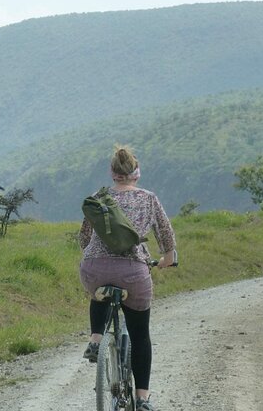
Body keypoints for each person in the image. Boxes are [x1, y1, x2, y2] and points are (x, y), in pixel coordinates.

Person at [78, 145, 176, 411]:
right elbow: (165, 234)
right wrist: (168, 258)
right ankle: (143, 399)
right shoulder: (148, 198)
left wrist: (95, 259)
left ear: (112, 173)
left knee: (99, 291)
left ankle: (96, 340)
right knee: (140, 334)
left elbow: (84, 239)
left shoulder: (98, 197)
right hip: (133, 272)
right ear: (136, 173)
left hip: (93, 268)